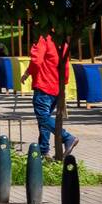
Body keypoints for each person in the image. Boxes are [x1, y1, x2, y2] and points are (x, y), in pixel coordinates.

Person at [25, 27, 76, 157]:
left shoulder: (43, 38)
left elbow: (36, 61)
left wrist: (28, 72)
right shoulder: (61, 41)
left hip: (43, 86)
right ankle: (43, 151)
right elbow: (65, 65)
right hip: (56, 88)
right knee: (45, 120)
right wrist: (62, 86)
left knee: (43, 117)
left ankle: (67, 137)